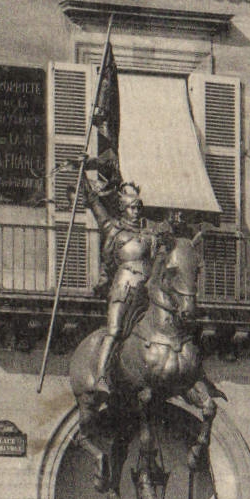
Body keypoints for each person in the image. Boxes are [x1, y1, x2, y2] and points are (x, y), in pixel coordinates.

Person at [82, 165, 173, 408]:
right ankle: (101, 376)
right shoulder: (114, 229)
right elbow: (93, 202)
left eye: (138, 207)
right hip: (123, 290)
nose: (136, 211)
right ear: (123, 208)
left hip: (146, 292)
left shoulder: (148, 235)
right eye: (132, 207)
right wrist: (81, 173)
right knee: (114, 330)